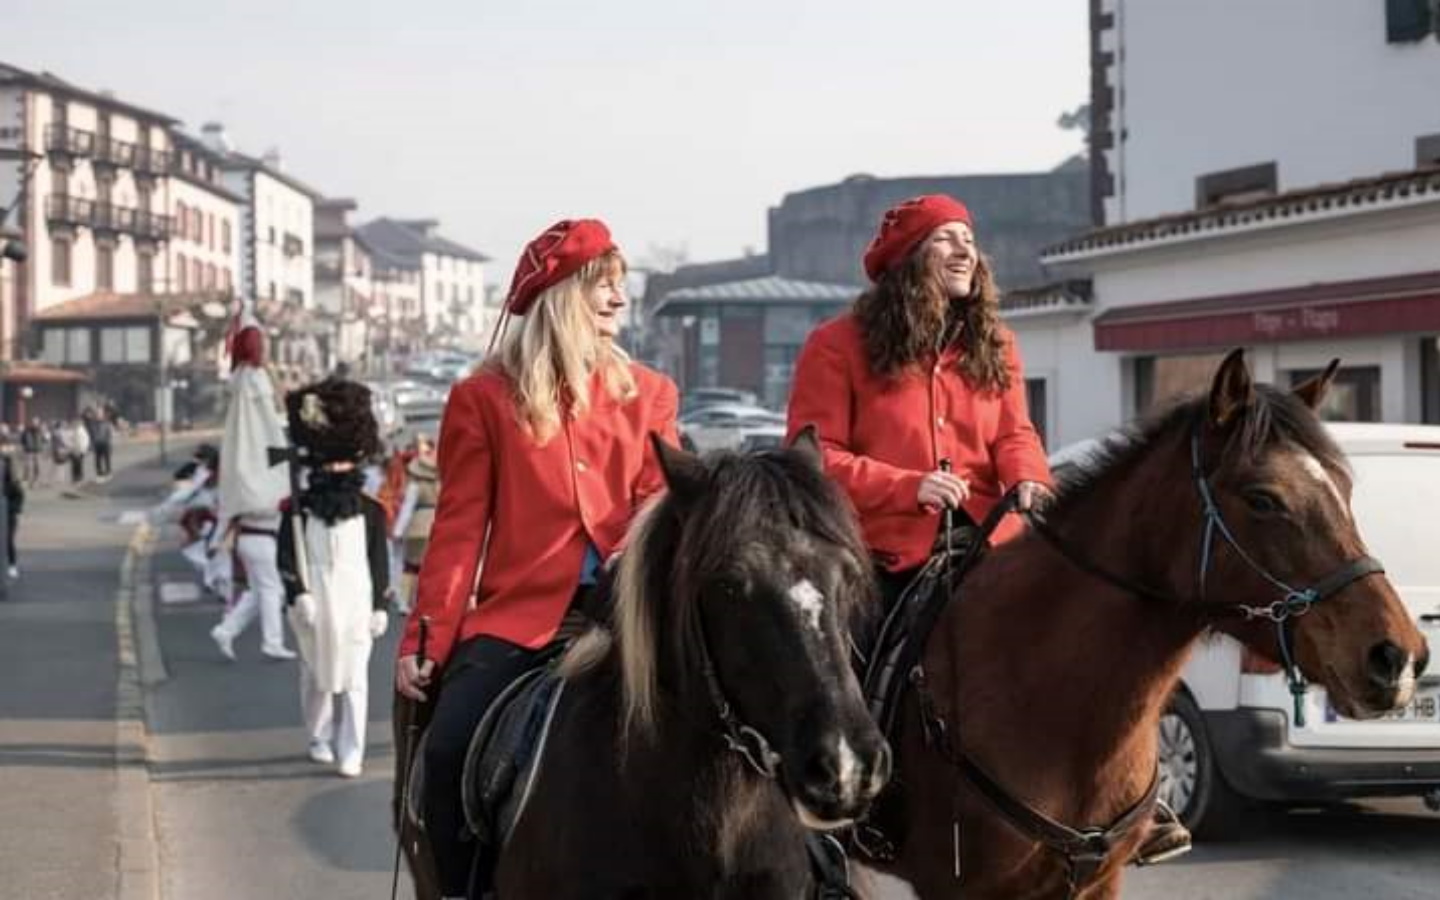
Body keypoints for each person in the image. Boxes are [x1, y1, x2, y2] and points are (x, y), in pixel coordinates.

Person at [786, 193, 1190, 865]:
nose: (964, 250)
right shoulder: (836, 345)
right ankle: (845, 804)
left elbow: (1014, 433)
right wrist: (906, 484)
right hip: (882, 552)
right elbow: (813, 454)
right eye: (944, 239)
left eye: (968, 238)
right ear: (907, 261)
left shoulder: (994, 341)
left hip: (989, 542)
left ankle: (1130, 799)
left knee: (1091, 631)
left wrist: (1028, 476)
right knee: (845, 662)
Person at [393, 218, 679, 899]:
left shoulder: (651, 394)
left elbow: (658, 507)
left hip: (629, 619)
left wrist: (632, 566)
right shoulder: (482, 399)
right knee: (446, 753)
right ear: (561, 296)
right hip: (520, 621)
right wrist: (426, 636)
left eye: (620, 286)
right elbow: (459, 530)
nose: (618, 299)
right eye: (602, 286)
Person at [277, 377, 390, 778]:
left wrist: (380, 604)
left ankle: (352, 749)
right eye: (331, 463)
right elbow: (286, 555)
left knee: (355, 678)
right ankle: (319, 736)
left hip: (356, 597)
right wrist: (298, 592)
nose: (337, 469)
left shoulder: (371, 511)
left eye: (343, 462)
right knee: (317, 675)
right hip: (316, 597)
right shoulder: (298, 509)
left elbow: (379, 560)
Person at [209, 309, 298, 662]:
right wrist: (287, 451)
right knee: (271, 590)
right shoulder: (256, 380)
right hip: (261, 533)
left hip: (250, 534)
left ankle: (226, 630)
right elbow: (270, 429)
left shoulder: (241, 383)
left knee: (261, 591)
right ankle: (271, 642)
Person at [390, 435, 438, 615]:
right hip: (437, 528)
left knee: (411, 567)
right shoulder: (442, 484)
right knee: (432, 569)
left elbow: (407, 509)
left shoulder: (416, 485)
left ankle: (404, 602)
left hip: (417, 527)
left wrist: (398, 531)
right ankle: (427, 601)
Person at [89, 408, 114, 481]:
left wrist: (110, 444)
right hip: (97, 443)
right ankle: (99, 474)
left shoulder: (107, 423)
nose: (98, 415)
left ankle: (108, 472)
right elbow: (91, 435)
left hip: (105, 443)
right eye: (97, 414)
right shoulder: (93, 424)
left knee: (107, 459)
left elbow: (109, 434)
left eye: (100, 414)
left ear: (103, 415)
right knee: (97, 460)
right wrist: (91, 445)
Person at [19, 419, 43, 487]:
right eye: (33, 423)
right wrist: (25, 447)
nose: (34, 424)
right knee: (28, 465)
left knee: (37, 466)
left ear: (38, 423)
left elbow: (43, 439)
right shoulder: (26, 431)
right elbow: (22, 440)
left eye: (36, 423)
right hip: (28, 450)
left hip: (37, 450)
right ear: (31, 423)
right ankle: (26, 479)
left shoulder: (40, 431)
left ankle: (36, 480)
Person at [67, 417, 90, 484]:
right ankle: (75, 477)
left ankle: (79, 477)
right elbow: (68, 439)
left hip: (80, 449)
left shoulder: (82, 430)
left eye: (76, 423)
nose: (74, 424)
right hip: (73, 450)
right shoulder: (71, 430)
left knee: (79, 464)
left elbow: (86, 440)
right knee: (74, 464)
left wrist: (84, 449)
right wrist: (69, 447)